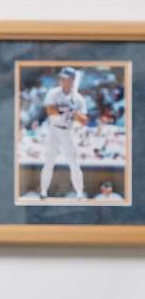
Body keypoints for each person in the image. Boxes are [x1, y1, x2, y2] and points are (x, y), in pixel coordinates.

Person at [39, 67, 88, 200]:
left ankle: (79, 193)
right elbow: (50, 110)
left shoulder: (78, 98)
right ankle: (43, 191)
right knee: (48, 161)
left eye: (65, 78)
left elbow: (84, 120)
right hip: (53, 129)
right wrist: (66, 109)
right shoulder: (53, 93)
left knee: (74, 163)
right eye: (61, 78)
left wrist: (74, 111)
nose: (61, 80)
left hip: (68, 132)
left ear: (72, 80)